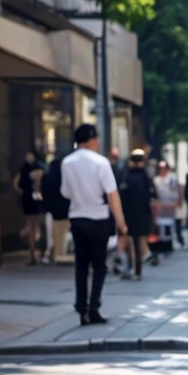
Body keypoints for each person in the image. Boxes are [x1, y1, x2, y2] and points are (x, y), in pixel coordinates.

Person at [61, 123, 127, 324]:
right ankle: (94, 307)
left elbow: (65, 192)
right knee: (99, 266)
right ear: (91, 140)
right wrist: (121, 223)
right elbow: (112, 194)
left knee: (81, 266)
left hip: (78, 216)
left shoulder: (67, 162)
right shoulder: (101, 163)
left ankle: (81, 308)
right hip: (98, 218)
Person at [119, 149, 157, 279]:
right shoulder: (146, 177)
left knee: (130, 242)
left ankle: (130, 269)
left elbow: (123, 196)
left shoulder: (127, 177)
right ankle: (137, 271)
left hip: (129, 213)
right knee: (139, 242)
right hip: (143, 213)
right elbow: (153, 195)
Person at [13, 151, 46, 265]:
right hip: (38, 199)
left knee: (31, 225)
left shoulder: (23, 171)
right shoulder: (40, 169)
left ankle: (32, 253)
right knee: (38, 225)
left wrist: (24, 192)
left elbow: (16, 184)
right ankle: (40, 252)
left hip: (28, 200)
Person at [40, 156, 70, 264]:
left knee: (52, 234)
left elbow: (43, 192)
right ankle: (62, 254)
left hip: (51, 210)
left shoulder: (47, 176)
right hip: (65, 210)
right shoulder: (65, 177)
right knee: (64, 234)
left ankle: (54, 253)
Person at [153, 160, 181, 253]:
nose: (162, 170)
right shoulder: (156, 180)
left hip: (170, 204)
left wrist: (175, 203)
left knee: (171, 224)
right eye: (160, 168)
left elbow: (175, 191)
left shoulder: (171, 179)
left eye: (164, 168)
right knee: (160, 225)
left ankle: (172, 242)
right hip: (160, 205)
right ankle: (162, 243)